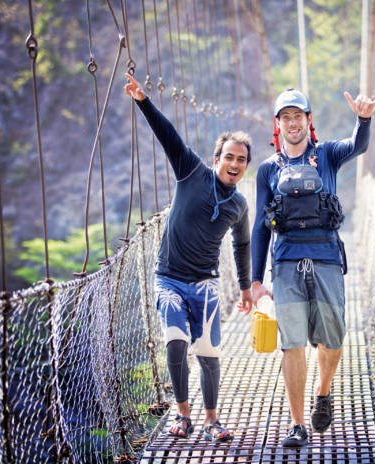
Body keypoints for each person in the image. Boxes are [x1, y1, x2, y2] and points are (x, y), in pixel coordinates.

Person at [124, 73, 253, 442]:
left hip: (206, 282)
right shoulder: (191, 170)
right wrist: (143, 101)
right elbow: (169, 136)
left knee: (208, 349)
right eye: (229, 156)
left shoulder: (240, 206)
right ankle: (182, 415)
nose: (234, 163)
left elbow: (242, 246)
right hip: (169, 278)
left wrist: (245, 288)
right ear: (216, 159)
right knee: (176, 338)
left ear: (245, 166)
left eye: (241, 160)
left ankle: (212, 419)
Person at [251, 88, 375, 447]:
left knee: (333, 339)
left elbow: (358, 145)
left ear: (309, 120)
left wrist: (364, 118)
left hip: (326, 258)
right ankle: (297, 424)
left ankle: (323, 392)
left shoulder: (327, 155)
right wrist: (255, 280)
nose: (293, 123)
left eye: (299, 116)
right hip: (287, 262)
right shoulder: (267, 170)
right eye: (286, 117)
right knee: (292, 343)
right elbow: (261, 225)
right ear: (278, 125)